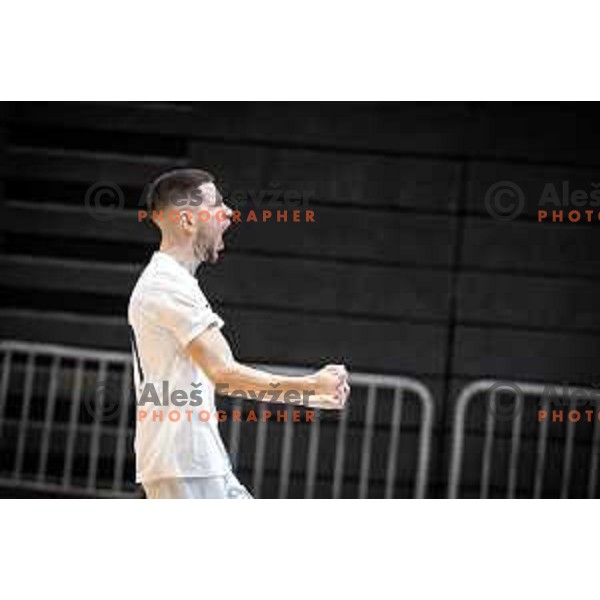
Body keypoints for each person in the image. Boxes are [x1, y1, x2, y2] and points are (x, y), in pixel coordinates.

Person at [128, 168, 349, 499]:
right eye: (216, 204)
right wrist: (310, 386)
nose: (228, 212)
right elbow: (225, 374)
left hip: (193, 464)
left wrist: (311, 395)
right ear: (187, 222)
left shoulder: (171, 281)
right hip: (185, 468)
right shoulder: (167, 286)